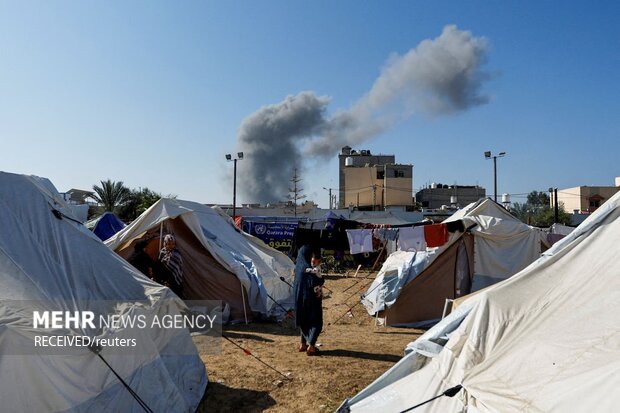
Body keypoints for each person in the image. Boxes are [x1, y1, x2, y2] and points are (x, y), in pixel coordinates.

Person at [293, 245, 324, 356]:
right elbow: (315, 283)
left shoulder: (299, 268)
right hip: (312, 300)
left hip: (300, 300)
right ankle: (311, 346)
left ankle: (303, 344)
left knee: (303, 320)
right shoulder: (308, 270)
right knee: (316, 322)